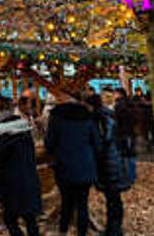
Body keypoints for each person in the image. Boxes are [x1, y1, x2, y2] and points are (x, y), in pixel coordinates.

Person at [45, 90, 99, 236]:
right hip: (85, 167)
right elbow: (97, 144)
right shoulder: (87, 116)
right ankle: (82, 232)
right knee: (82, 204)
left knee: (66, 202)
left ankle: (63, 231)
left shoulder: (55, 117)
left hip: (64, 166)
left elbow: (49, 144)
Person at [0, 117, 42, 236]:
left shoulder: (7, 140)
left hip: (13, 187)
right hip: (30, 183)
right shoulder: (27, 137)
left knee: (10, 219)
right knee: (30, 219)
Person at [85, 94, 131, 236]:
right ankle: (115, 228)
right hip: (114, 160)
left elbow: (103, 141)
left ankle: (114, 229)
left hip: (108, 162)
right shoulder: (108, 116)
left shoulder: (99, 119)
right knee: (114, 198)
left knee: (112, 199)